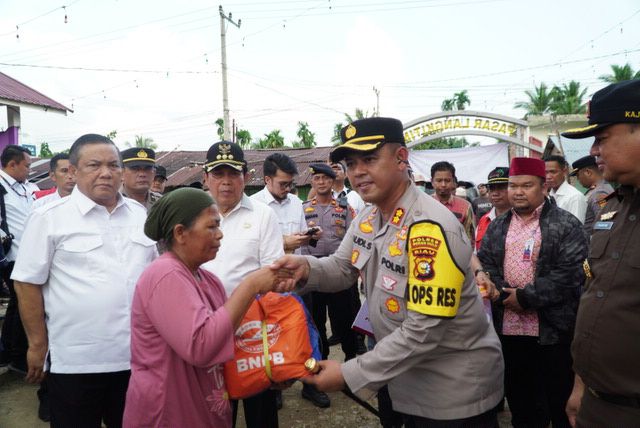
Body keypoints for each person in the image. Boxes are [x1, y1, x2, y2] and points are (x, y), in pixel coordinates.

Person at [272, 117, 504, 427]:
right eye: (351, 163)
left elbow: (425, 330)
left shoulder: (429, 227)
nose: (358, 171)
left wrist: (348, 373)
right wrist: (304, 268)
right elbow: (342, 267)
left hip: (449, 394)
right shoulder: (371, 215)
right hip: (400, 377)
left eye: (369, 159)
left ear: (401, 159)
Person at [11, 134, 158, 427]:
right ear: (73, 172)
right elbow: (27, 282)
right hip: (77, 361)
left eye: (113, 165)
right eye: (94, 165)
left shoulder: (139, 215)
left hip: (136, 359)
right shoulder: (49, 218)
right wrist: (37, 344)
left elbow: (155, 278)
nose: (106, 173)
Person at [123, 188, 290, 427]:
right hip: (170, 411)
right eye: (211, 227)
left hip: (203, 405)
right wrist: (250, 284)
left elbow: (227, 338)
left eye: (218, 225)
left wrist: (266, 370)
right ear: (180, 233)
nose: (220, 234)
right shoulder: (165, 275)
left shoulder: (206, 279)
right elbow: (202, 346)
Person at [478, 157, 587, 428]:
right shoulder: (498, 226)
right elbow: (487, 264)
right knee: (523, 405)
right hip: (511, 333)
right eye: (513, 186)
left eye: (526, 185)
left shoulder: (566, 224)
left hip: (553, 332)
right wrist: (504, 296)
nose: (517, 192)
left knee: (560, 403)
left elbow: (571, 273)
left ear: (543, 185)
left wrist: (525, 297)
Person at [561, 79, 640, 427]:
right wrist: (581, 386)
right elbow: (596, 295)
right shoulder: (611, 208)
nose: (594, 150)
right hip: (597, 401)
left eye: (602, 138)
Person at [200, 142, 285, 426]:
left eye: (233, 174)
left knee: (260, 407)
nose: (226, 181)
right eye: (218, 173)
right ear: (206, 178)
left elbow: (274, 275)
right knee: (216, 409)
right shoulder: (193, 214)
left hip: (252, 330)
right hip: (205, 327)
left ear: (246, 178)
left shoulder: (263, 215)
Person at [299, 163, 357, 408]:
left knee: (345, 321)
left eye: (326, 178)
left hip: (339, 269)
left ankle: (351, 373)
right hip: (311, 270)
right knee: (315, 323)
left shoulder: (345, 208)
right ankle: (315, 378)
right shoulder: (302, 209)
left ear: (333, 182)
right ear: (312, 182)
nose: (321, 182)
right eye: (317, 178)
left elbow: (355, 237)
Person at [0, 144, 37, 374]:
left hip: (27, 256)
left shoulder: (23, 187)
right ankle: (14, 355)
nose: (29, 170)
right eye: (27, 165)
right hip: (11, 257)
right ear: (12, 164)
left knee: (18, 304)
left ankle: (13, 354)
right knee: (19, 304)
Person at [251, 153, 313, 253]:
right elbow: (250, 245)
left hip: (295, 266)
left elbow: (302, 238)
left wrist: (310, 236)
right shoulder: (253, 205)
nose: (288, 189)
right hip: (267, 267)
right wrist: (284, 243)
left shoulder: (296, 202)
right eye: (283, 184)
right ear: (267, 180)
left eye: (291, 183)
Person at [568, 155, 614, 236]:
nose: (578, 180)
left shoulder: (599, 193)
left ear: (588, 172)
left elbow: (606, 223)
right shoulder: (600, 188)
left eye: (578, 175)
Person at [430, 160, 475, 241]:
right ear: (432, 182)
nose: (443, 184)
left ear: (453, 181)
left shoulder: (465, 207)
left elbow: (470, 238)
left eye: (447, 180)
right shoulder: (423, 204)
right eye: (439, 181)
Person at [544, 155, 587, 223]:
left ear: (564, 171)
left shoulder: (575, 197)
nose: (548, 177)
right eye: (545, 172)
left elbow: (577, 228)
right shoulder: (548, 196)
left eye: (553, 172)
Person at [475, 167, 510, 252]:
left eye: (501, 187)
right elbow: (475, 253)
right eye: (492, 188)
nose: (495, 193)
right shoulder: (483, 220)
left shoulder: (522, 220)